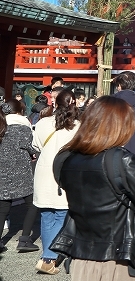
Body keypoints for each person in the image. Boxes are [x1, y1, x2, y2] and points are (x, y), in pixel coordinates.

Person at [52, 96, 135, 279]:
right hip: (119, 259)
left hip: (82, 257)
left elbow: (101, 191)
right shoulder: (121, 159)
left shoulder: (66, 158)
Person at [32, 90, 81, 269]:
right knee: (61, 215)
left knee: (46, 216)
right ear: (73, 103)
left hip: (44, 170)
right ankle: (48, 257)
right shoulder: (77, 125)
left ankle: (47, 257)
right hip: (65, 171)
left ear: (55, 103)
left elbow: (35, 144)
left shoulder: (43, 122)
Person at [0, 99, 37, 255]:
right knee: (32, 204)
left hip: (2, 172)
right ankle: (24, 239)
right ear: (20, 111)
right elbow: (32, 148)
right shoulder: (23, 128)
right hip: (22, 172)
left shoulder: (2, 127)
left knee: (3, 208)